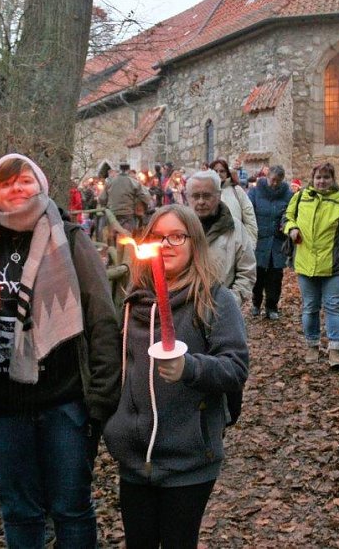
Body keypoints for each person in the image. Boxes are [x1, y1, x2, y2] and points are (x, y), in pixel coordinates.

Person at [0, 154, 121, 548]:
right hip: (1, 404)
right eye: (5, 184)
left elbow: (103, 321)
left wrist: (101, 401)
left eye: (24, 180)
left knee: (71, 506)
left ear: (40, 185)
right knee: (20, 511)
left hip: (64, 399)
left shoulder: (72, 239)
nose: (16, 188)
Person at [103, 205, 249, 548]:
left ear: (193, 243)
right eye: (158, 236)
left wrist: (191, 368)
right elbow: (118, 368)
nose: (166, 244)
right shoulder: (132, 303)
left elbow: (235, 367)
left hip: (188, 459)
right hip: (135, 458)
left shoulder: (215, 299)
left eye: (176, 236)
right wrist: (115, 423)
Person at [284, 162, 339, 370]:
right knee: (310, 307)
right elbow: (287, 218)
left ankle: (335, 350)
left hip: (335, 264)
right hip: (305, 262)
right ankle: (312, 345)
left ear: (333, 179)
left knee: (333, 306)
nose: (322, 181)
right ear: (313, 178)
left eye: (326, 177)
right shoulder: (300, 197)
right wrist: (291, 228)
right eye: (318, 177)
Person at [185, 169, 256, 307]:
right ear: (188, 197)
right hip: (183, 311)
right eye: (195, 196)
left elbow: (247, 271)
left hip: (222, 311)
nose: (201, 201)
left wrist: (230, 302)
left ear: (218, 196)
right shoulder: (178, 227)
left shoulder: (234, 228)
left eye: (207, 196)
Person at [248, 165, 293, 320]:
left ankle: (272, 306)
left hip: (277, 242)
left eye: (278, 181)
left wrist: (284, 223)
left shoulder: (287, 194)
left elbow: (290, 212)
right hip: (259, 241)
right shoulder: (255, 192)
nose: (275, 184)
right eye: (273, 180)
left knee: (275, 277)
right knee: (258, 276)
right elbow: (249, 213)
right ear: (268, 177)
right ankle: (256, 303)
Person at [210, 158, 258, 244]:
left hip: (235, 244)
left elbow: (250, 218)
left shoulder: (237, 191)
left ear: (227, 173)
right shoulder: (204, 192)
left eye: (222, 171)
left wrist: (250, 244)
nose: (218, 174)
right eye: (215, 171)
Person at [98, 162, 152, 234]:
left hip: (113, 215)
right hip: (128, 215)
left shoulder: (110, 182)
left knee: (112, 237)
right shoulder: (134, 182)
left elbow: (102, 198)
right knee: (127, 237)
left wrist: (106, 206)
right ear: (128, 170)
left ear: (119, 169)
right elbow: (145, 197)